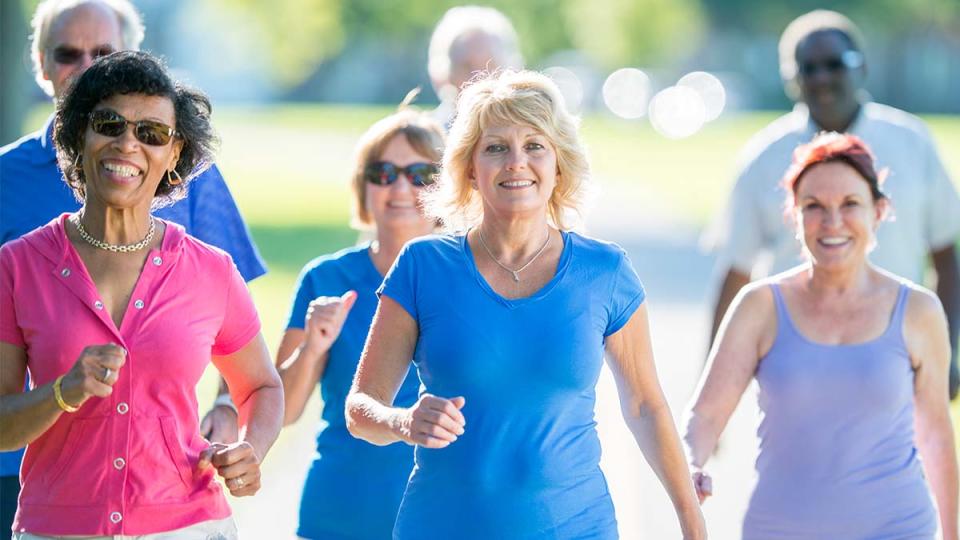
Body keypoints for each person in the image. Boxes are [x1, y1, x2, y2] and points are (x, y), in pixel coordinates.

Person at [345, 70, 706, 539]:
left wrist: (692, 521)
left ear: (559, 164)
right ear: (470, 167)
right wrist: (404, 420)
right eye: (496, 147)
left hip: (576, 528)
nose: (516, 162)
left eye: (535, 145)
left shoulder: (606, 271)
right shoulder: (423, 265)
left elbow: (645, 406)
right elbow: (360, 409)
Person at [0, 2, 265, 531]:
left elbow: (253, 371)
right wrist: (60, 391)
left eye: (151, 134)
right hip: (47, 499)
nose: (128, 144)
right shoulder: (16, 251)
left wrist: (238, 429)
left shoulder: (205, 237)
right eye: (108, 124)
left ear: (175, 154)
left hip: (184, 516)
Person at [686, 133, 958, 539]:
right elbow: (706, 414)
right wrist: (691, 462)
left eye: (850, 204)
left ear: (879, 212)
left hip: (897, 529)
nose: (832, 222)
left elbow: (935, 432)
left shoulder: (918, 311)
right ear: (793, 216)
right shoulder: (759, 305)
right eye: (814, 207)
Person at [705, 9, 960, 398]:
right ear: (791, 79)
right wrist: (713, 383)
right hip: (796, 364)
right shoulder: (762, 158)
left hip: (896, 357)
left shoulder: (912, 143)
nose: (821, 77)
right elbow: (735, 271)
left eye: (833, 64)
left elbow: (945, 256)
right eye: (807, 68)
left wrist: (945, 352)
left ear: (862, 68)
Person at [276, 104, 443, 539]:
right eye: (383, 172)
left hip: (442, 515)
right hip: (338, 514)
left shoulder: (472, 279)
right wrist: (312, 347)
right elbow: (281, 411)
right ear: (363, 186)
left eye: (420, 174)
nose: (401, 187)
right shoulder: (325, 279)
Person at [427, 5, 523, 128]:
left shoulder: (526, 134)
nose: (479, 79)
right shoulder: (428, 139)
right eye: (467, 67)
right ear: (445, 74)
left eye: (490, 67)